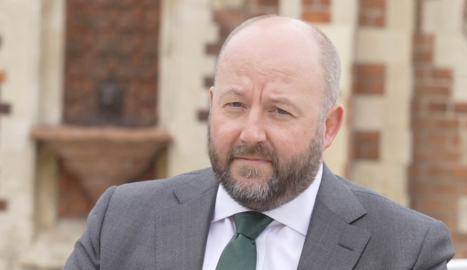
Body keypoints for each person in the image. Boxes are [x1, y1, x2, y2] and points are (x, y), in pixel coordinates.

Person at [64, 15, 455, 270]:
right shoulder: (120, 220)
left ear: (329, 126)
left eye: (278, 111)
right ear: (213, 104)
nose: (250, 133)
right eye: (235, 105)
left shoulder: (409, 252)